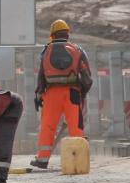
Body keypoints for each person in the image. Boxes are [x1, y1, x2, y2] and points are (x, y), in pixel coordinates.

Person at [30, 20, 93, 169]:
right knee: (76, 127)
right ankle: (78, 160)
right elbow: (87, 77)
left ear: (52, 35)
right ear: (68, 34)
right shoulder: (77, 50)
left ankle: (43, 160)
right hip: (72, 93)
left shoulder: (46, 51)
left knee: (47, 126)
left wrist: (39, 94)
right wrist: (82, 93)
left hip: (51, 94)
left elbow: (41, 75)